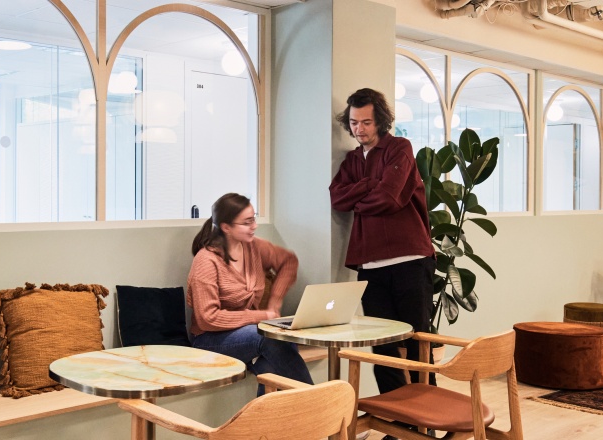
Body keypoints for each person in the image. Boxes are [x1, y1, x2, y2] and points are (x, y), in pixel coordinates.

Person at [329, 88, 437, 399]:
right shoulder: (351, 160)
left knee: (419, 341)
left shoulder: (399, 148)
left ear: (381, 122)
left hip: (411, 259)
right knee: (383, 347)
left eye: (366, 122)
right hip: (371, 265)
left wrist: (358, 198)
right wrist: (368, 184)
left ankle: (427, 418)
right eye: (353, 123)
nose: (359, 129)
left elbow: (389, 197)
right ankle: (399, 421)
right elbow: (337, 197)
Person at [187, 193, 313, 395]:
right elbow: (207, 319)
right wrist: (262, 316)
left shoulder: (253, 247)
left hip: (248, 333)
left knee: (270, 369)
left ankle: (266, 423)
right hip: (209, 339)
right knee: (270, 337)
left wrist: (275, 303)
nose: (254, 226)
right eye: (246, 222)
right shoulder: (206, 261)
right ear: (226, 227)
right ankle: (316, 401)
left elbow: (288, 262)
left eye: (253, 218)